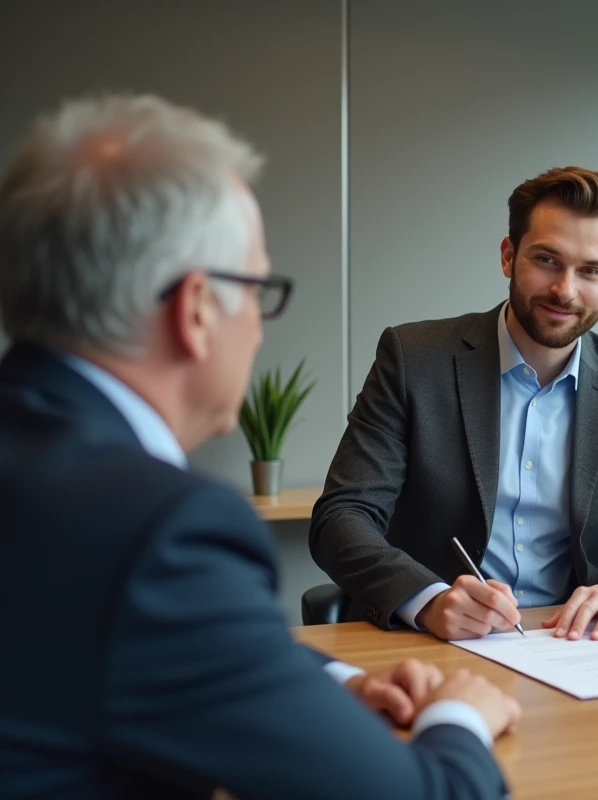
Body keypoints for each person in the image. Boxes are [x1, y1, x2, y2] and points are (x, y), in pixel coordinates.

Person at [0, 94, 518, 799]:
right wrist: (463, 713)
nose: (259, 330)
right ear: (196, 310)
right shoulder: (157, 531)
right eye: (256, 290)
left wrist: (328, 682)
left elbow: (120, 649)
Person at [310, 166, 598, 641]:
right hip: (439, 647)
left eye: (590, 270)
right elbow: (341, 519)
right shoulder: (414, 361)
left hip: (574, 650)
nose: (565, 290)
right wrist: (429, 600)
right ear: (509, 256)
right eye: (547, 260)